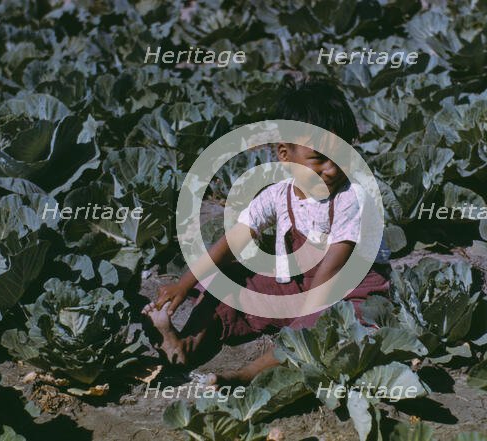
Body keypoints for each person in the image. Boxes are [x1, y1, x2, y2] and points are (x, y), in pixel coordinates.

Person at [142, 77, 391, 386]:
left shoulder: (351, 197)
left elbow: (333, 270)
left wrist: (301, 315)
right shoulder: (279, 195)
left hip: (347, 291)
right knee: (228, 282)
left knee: (324, 325)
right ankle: (186, 345)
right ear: (284, 155)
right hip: (297, 287)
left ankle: (247, 376)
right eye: (318, 159)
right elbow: (234, 240)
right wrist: (183, 284)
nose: (332, 169)